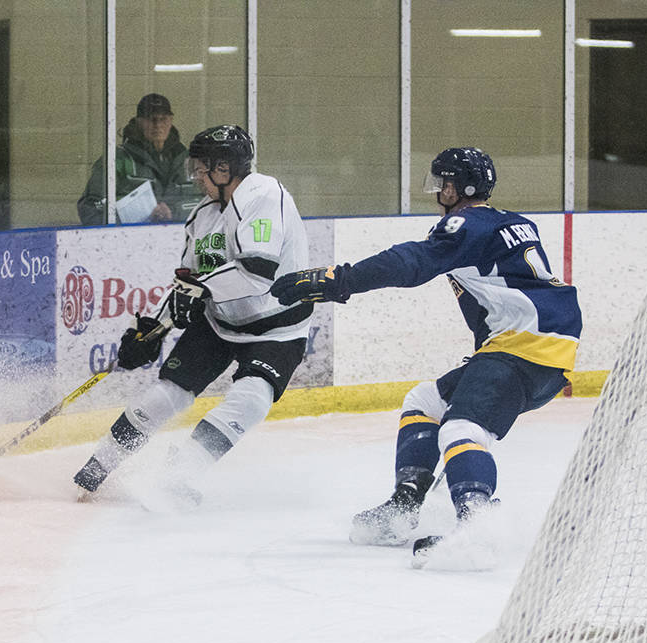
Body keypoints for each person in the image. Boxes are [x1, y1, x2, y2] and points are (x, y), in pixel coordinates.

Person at [269, 146, 583, 566]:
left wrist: (337, 279)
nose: (439, 191)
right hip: (540, 347)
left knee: (462, 428)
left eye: (445, 182)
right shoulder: (510, 222)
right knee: (425, 402)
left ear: (464, 187)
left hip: (524, 347)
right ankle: (405, 506)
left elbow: (413, 262)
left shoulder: (467, 223)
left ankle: (477, 528)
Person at [73, 124, 311, 504]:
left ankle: (177, 475)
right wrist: (153, 329)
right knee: (165, 393)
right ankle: (98, 467)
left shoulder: (265, 195)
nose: (196, 177)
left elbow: (257, 270)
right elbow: (191, 280)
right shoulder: (202, 215)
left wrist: (202, 291)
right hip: (220, 322)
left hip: (277, 327)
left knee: (250, 399)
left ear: (225, 168)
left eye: (202, 170)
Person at [77, 93, 204, 226]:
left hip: (182, 239)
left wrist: (174, 212)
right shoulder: (117, 160)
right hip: (129, 241)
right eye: (151, 119)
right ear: (139, 121)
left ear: (171, 120)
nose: (158, 125)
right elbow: (90, 209)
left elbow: (209, 202)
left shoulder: (189, 160)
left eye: (163, 119)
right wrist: (129, 220)